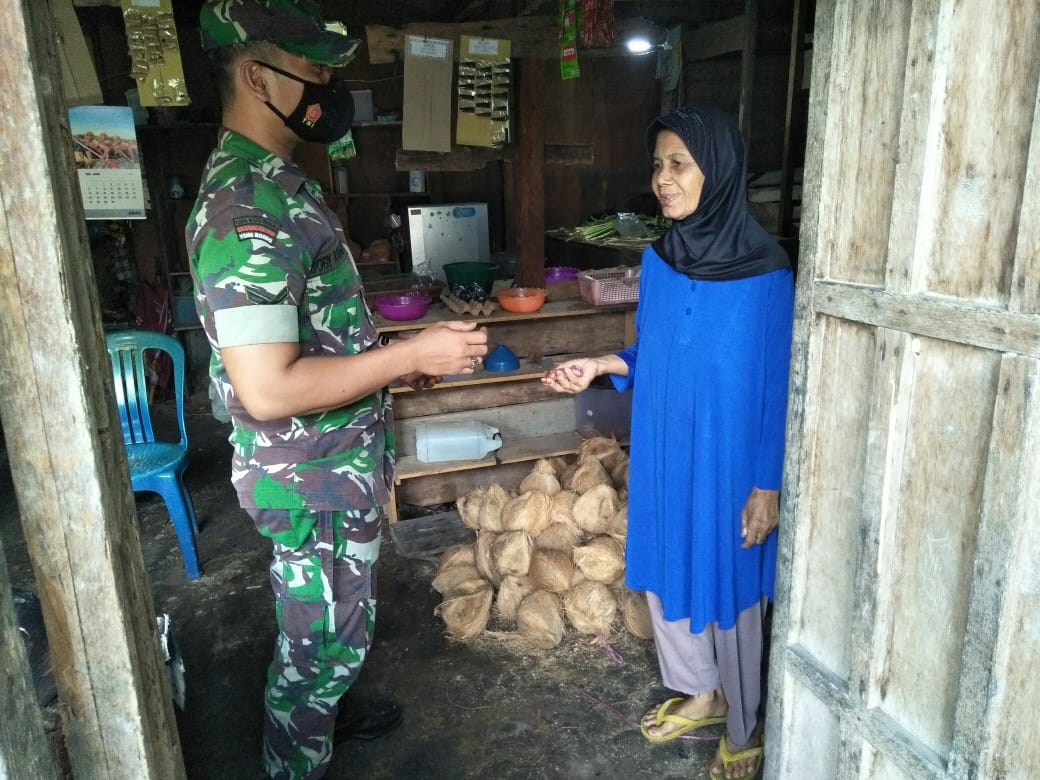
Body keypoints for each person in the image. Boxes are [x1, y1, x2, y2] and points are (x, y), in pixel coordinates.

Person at [187, 2, 488, 778]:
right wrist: (403, 354)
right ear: (257, 76)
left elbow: (312, 340)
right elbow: (268, 388)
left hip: (332, 463)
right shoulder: (245, 207)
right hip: (309, 473)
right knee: (320, 639)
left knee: (329, 624)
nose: (329, 88)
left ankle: (327, 703)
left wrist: (396, 360)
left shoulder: (279, 184)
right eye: (315, 72)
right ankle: (297, 757)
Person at [543, 105, 794, 780]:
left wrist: (766, 484)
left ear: (719, 169)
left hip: (730, 458)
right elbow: (656, 351)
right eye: (657, 164)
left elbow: (778, 389)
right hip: (665, 444)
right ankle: (704, 693)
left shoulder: (767, 274)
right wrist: (603, 365)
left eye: (678, 163)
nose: (662, 178)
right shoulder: (660, 260)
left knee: (729, 584)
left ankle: (744, 725)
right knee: (668, 561)